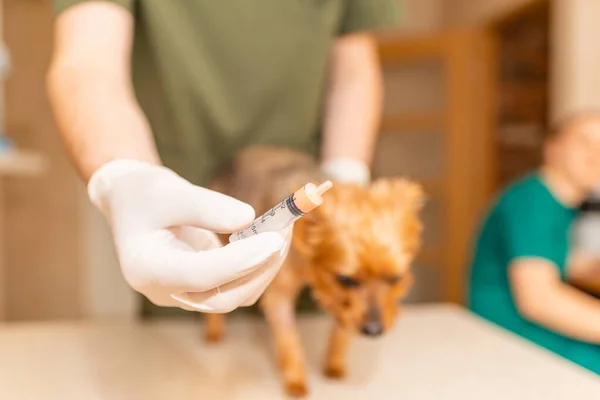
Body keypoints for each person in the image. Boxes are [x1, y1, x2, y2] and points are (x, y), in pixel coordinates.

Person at [47, 1, 397, 314]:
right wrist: (125, 176)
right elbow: (88, 62)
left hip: (310, 250)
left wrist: (346, 184)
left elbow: (354, 67)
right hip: (181, 238)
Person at [468, 112, 600, 373]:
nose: (596, 153)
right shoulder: (533, 201)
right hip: (509, 331)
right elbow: (538, 299)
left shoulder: (555, 203)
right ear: (552, 150)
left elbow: (556, 259)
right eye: (584, 142)